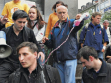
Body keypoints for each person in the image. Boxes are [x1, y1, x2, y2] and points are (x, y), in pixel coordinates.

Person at [0, 10, 44, 83]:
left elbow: (35, 44)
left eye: (24, 22)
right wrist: (1, 24)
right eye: (20, 22)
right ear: (13, 20)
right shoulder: (5, 31)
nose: (22, 25)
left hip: (23, 63)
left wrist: (40, 51)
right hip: (8, 63)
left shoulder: (29, 32)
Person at [42, 5, 84, 83]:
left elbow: (78, 25)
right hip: (58, 60)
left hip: (70, 58)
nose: (62, 14)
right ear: (56, 14)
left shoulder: (71, 23)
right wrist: (46, 41)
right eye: (60, 13)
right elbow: (52, 44)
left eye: (64, 12)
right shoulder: (54, 27)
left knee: (69, 81)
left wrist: (79, 19)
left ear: (67, 13)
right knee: (60, 81)